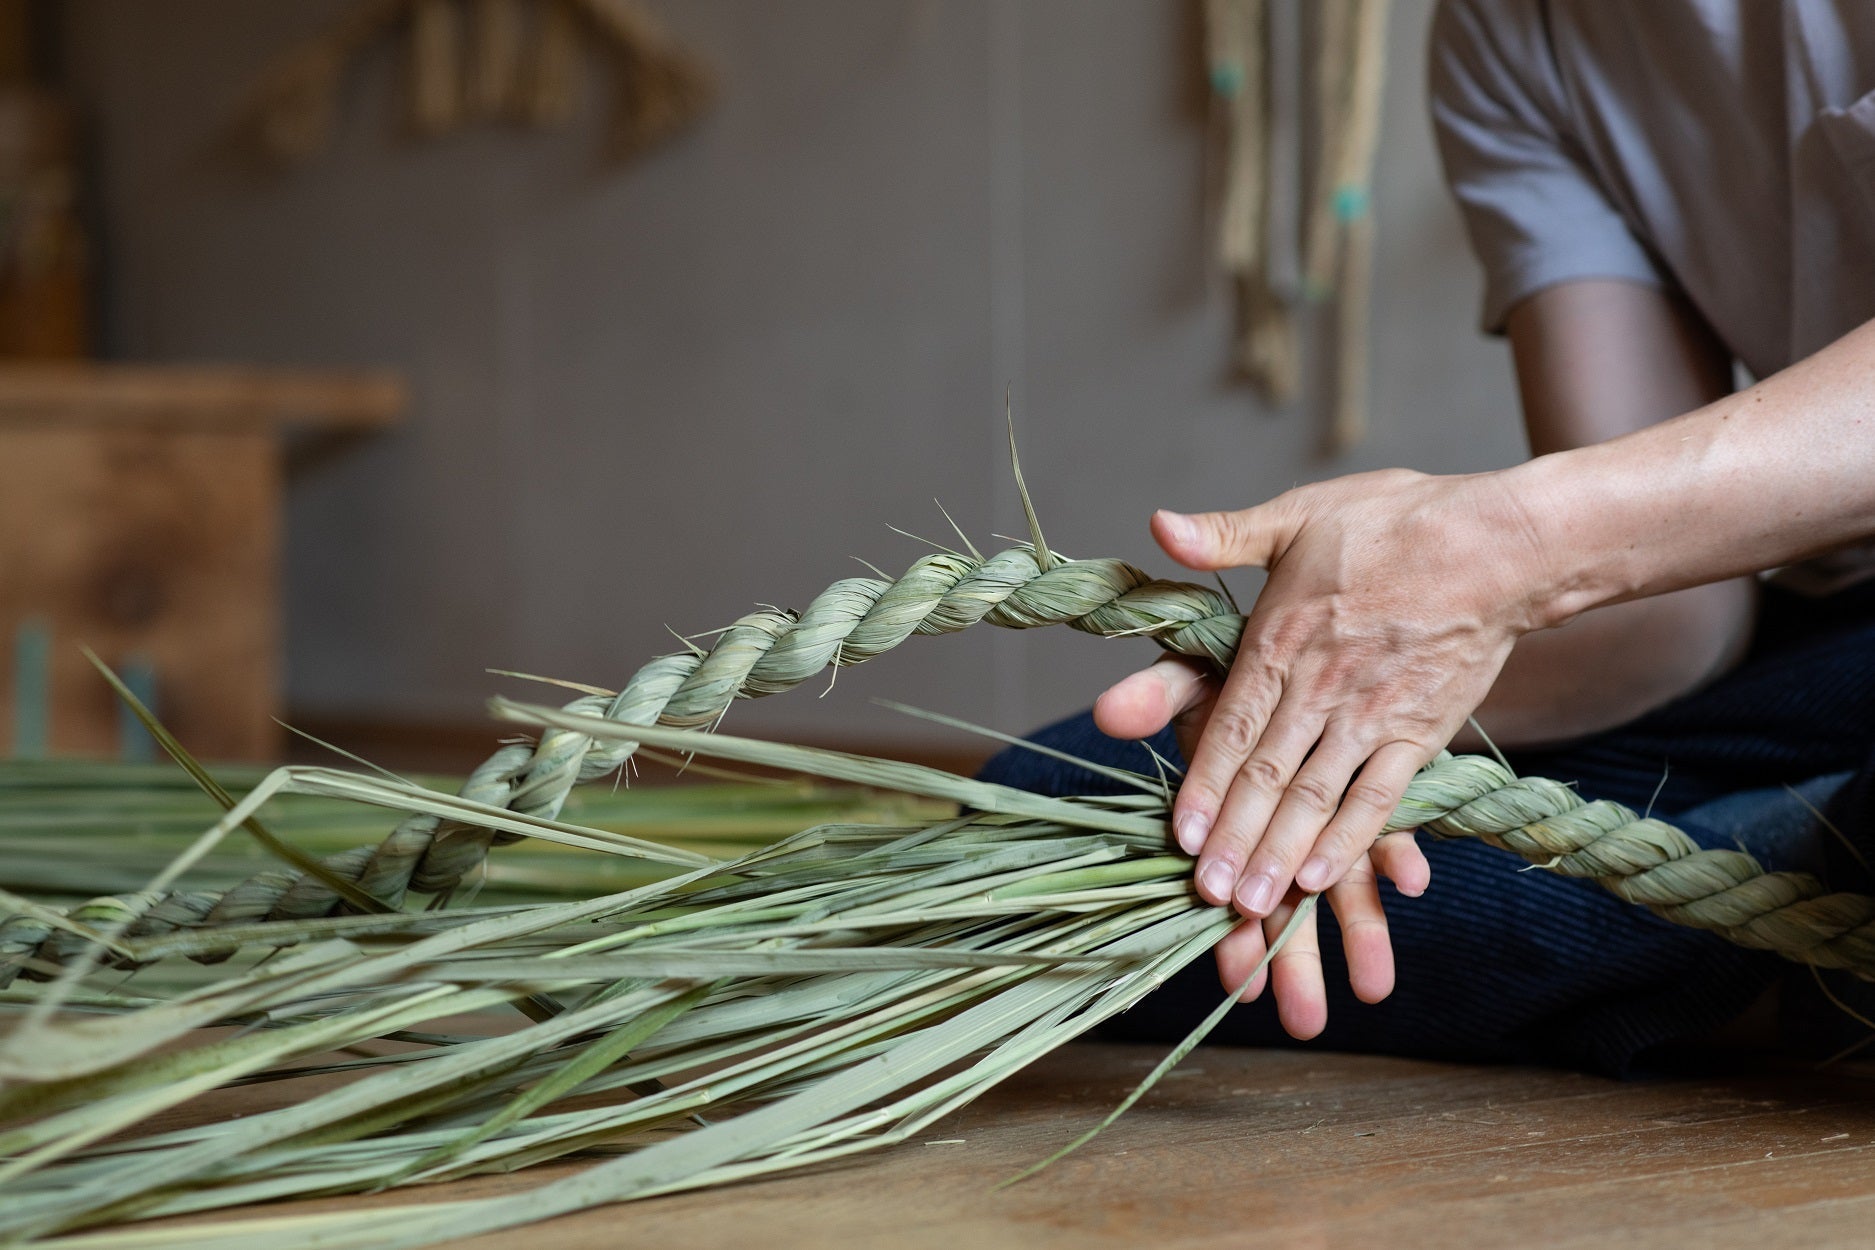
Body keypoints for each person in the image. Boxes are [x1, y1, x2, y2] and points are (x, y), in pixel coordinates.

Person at [981, 0, 1875, 1073]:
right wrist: (1335, 705)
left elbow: (1545, 549)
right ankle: (1814, 902)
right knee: (1072, 804)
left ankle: (1777, 928)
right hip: (1829, 654)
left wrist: (1500, 541)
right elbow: (1666, 612)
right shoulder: (1512, 35)